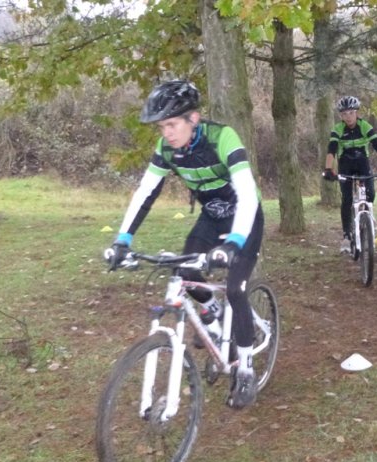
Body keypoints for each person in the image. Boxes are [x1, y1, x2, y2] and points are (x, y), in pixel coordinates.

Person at [106, 80, 264, 410]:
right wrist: (123, 240)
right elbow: (146, 192)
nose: (167, 133)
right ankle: (213, 314)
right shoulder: (167, 149)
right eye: (162, 126)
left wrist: (234, 243)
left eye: (172, 124)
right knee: (185, 273)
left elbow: (247, 194)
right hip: (210, 217)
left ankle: (246, 368)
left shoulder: (223, 138)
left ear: (194, 118)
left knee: (235, 289)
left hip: (244, 219)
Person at [323, 95, 377, 252]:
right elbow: (331, 150)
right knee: (347, 199)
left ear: (357, 113)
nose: (348, 117)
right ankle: (346, 236)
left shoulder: (365, 126)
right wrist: (328, 169)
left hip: (362, 163)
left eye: (351, 113)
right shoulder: (338, 129)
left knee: (370, 194)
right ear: (341, 116)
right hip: (345, 164)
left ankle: (367, 221)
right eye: (344, 114)